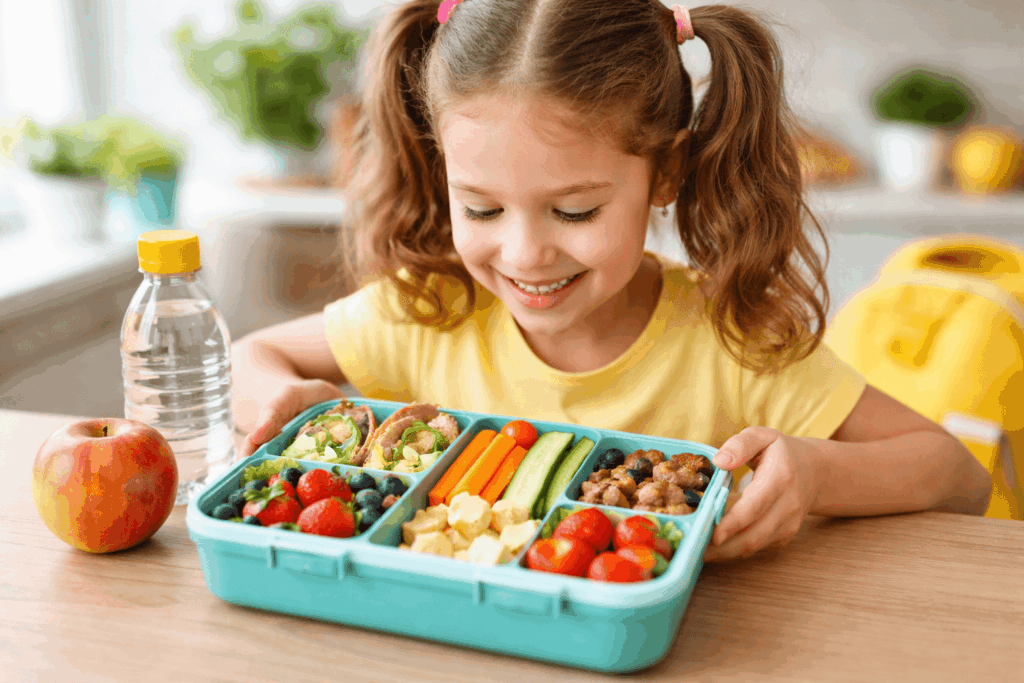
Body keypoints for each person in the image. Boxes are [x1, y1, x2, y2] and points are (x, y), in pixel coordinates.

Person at [232, 0, 992, 561]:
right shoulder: (429, 308)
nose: (525, 254)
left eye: (574, 209)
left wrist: (819, 472)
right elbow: (252, 356)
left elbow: (958, 476)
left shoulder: (732, 339)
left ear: (665, 173)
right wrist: (283, 402)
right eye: (482, 206)